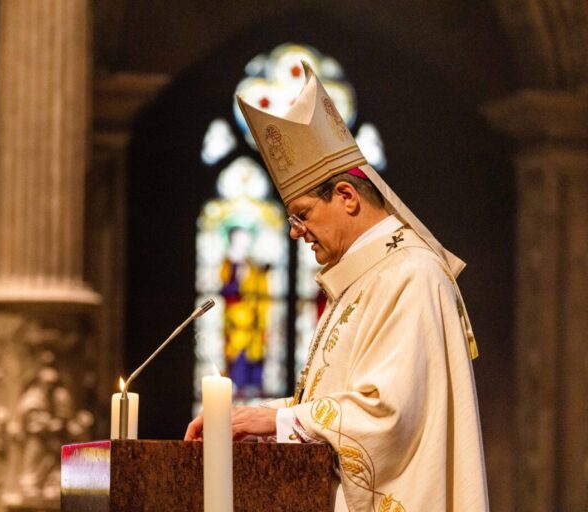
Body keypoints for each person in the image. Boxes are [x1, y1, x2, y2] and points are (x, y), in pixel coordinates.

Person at [185, 61, 488, 511]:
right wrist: (257, 417)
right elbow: (334, 403)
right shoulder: (369, 279)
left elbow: (388, 415)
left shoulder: (412, 275)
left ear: (346, 196)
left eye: (302, 214)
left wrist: (276, 420)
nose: (294, 232)